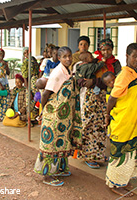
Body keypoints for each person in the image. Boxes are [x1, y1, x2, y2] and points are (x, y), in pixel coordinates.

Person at [34, 47, 82, 187]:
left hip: (64, 117)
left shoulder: (68, 71)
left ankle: (60, 168)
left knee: (61, 141)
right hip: (54, 114)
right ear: (59, 58)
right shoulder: (57, 73)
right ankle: (47, 175)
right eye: (64, 57)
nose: (68, 59)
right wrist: (43, 111)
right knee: (51, 144)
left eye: (69, 56)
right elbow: (45, 94)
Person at [104, 43, 137, 197]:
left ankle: (124, 179)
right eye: (134, 56)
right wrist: (107, 115)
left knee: (131, 153)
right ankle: (115, 183)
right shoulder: (124, 75)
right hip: (123, 122)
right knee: (120, 154)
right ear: (127, 56)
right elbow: (112, 99)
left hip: (133, 123)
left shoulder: (135, 73)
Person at [77, 38, 121, 169]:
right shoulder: (94, 61)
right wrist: (89, 82)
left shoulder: (116, 64)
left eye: (108, 49)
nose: (106, 52)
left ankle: (98, 155)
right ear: (99, 50)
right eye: (103, 49)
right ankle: (88, 155)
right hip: (92, 98)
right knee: (89, 125)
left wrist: (95, 81)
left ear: (112, 49)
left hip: (107, 97)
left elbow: (116, 80)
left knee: (102, 126)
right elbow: (81, 77)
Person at [21, 47, 40, 122]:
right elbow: (25, 77)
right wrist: (28, 89)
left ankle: (34, 117)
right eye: (25, 53)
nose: (27, 54)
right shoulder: (25, 62)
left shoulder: (33, 59)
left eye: (28, 52)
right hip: (29, 83)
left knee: (36, 99)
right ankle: (28, 119)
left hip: (35, 82)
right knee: (29, 101)